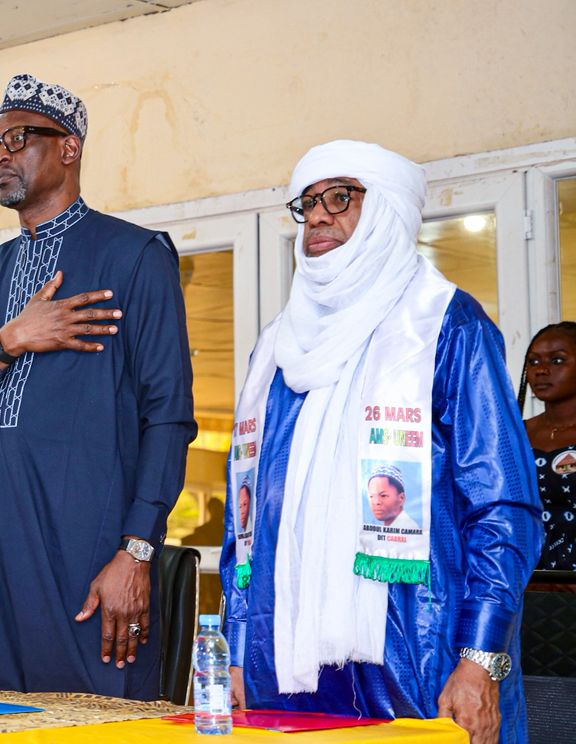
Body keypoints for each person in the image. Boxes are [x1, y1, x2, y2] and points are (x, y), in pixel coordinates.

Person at [220, 140, 542, 744]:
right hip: (284, 668)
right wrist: (238, 648)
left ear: (388, 209)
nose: (318, 216)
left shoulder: (446, 325)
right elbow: (244, 524)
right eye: (308, 202)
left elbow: (503, 509)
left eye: (340, 198)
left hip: (422, 656)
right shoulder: (276, 352)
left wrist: (480, 659)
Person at [0, 75, 195, 699]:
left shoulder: (135, 256)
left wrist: (138, 551)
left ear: (69, 148)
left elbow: (168, 415)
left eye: (17, 138)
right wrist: (6, 342)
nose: (2, 155)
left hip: (90, 563)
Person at [520, 322, 576, 570]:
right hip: (523, 580)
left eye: (557, 360)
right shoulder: (513, 435)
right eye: (533, 362)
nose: (541, 370)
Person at [367, 465, 418, 530]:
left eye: (383, 495)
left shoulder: (408, 529)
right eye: (371, 496)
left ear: (401, 498)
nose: (376, 502)